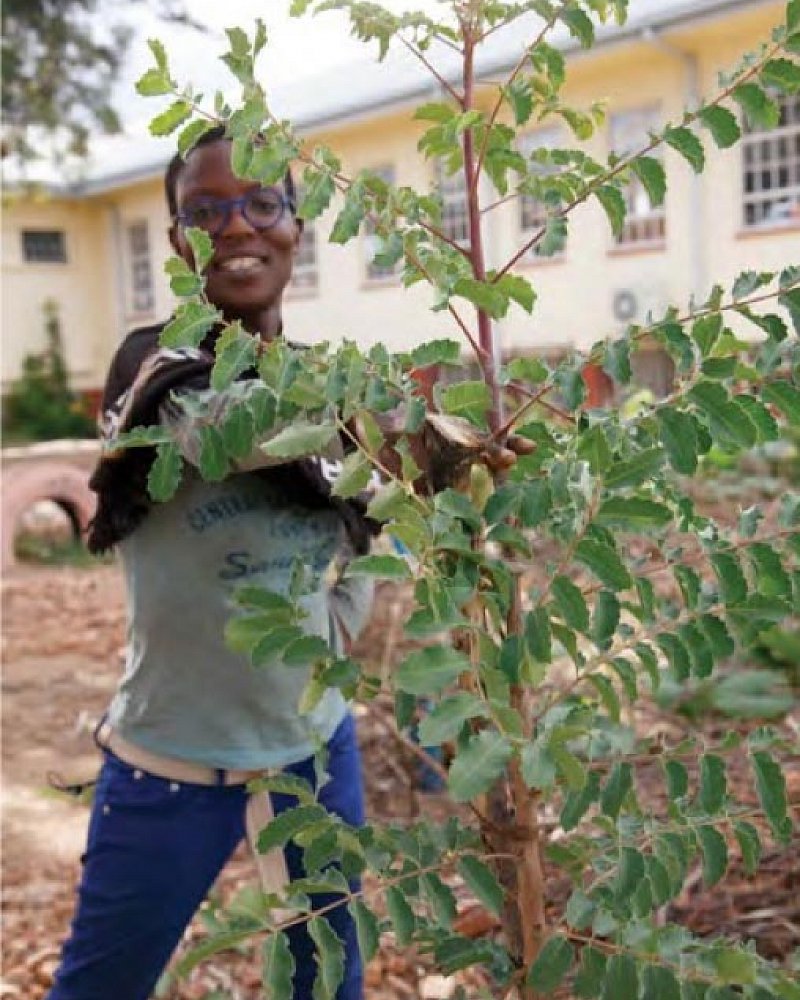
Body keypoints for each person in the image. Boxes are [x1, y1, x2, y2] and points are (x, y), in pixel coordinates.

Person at [48, 125, 376, 1000]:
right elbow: (236, 432)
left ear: (296, 226)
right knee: (101, 987)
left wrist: (339, 628)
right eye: (205, 212)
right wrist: (396, 430)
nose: (236, 228)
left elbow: (384, 521)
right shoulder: (151, 367)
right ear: (177, 240)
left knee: (330, 983)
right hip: (170, 765)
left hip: (314, 752)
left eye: (261, 204)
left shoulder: (328, 383)